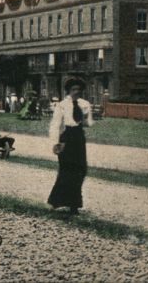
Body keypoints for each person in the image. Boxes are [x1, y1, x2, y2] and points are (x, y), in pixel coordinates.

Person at [47, 78, 94, 215]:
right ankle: (56, 201)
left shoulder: (85, 104)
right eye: (73, 89)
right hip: (66, 138)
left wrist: (85, 119)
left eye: (79, 89)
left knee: (80, 170)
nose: (76, 92)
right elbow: (55, 124)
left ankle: (74, 205)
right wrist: (55, 142)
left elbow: (89, 123)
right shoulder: (62, 105)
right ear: (68, 90)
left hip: (79, 138)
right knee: (66, 169)